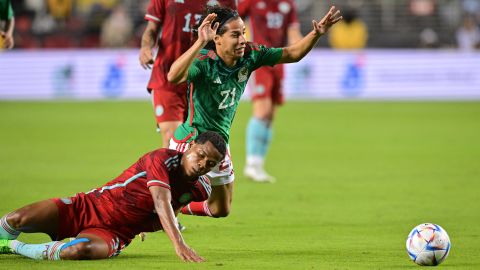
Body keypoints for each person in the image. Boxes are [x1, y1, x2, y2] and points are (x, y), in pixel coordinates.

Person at [167, 5, 342, 218]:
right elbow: (173, 77)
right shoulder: (203, 61)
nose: (242, 39)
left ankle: (177, 207)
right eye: (235, 34)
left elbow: (292, 54)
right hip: (194, 141)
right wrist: (200, 42)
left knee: (221, 209)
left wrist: (316, 34)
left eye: (243, 33)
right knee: (178, 190)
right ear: (218, 38)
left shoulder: (251, 54)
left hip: (220, 143)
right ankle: (162, 209)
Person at [0, 131, 226, 262]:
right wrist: (179, 243)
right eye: (201, 155)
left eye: (211, 164)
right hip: (86, 207)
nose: (203, 164)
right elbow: (160, 200)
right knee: (17, 218)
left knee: (77, 250)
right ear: (192, 145)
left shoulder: (200, 189)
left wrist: (145, 224)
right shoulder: (161, 158)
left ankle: (12, 247)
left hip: (116, 233)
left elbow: (169, 211)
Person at [139, 0, 237, 148]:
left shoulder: (227, 2)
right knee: (172, 142)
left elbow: (230, 34)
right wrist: (146, 47)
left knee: (202, 144)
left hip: (204, 79)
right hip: (167, 76)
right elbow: (151, 29)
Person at [238, 0, 303, 182]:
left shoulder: (287, 4)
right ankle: (251, 164)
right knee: (262, 111)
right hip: (259, 59)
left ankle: (258, 164)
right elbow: (234, 21)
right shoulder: (251, 2)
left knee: (271, 115)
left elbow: (293, 31)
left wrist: (303, 45)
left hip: (279, 60)